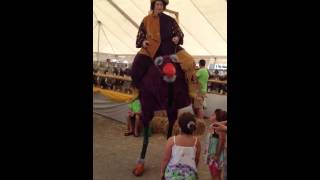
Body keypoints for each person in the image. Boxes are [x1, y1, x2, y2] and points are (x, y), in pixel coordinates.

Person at [160, 112, 201, 180]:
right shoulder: (196, 142)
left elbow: (165, 159)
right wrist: (192, 170)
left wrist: (162, 172)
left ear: (179, 126)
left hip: (172, 174)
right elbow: (196, 159)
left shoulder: (172, 140)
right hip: (189, 175)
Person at [204, 109, 227, 180]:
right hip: (212, 154)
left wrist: (217, 155)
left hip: (216, 156)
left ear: (218, 119)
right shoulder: (214, 127)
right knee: (212, 173)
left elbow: (222, 141)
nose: (211, 115)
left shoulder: (220, 129)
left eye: (213, 115)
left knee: (216, 174)